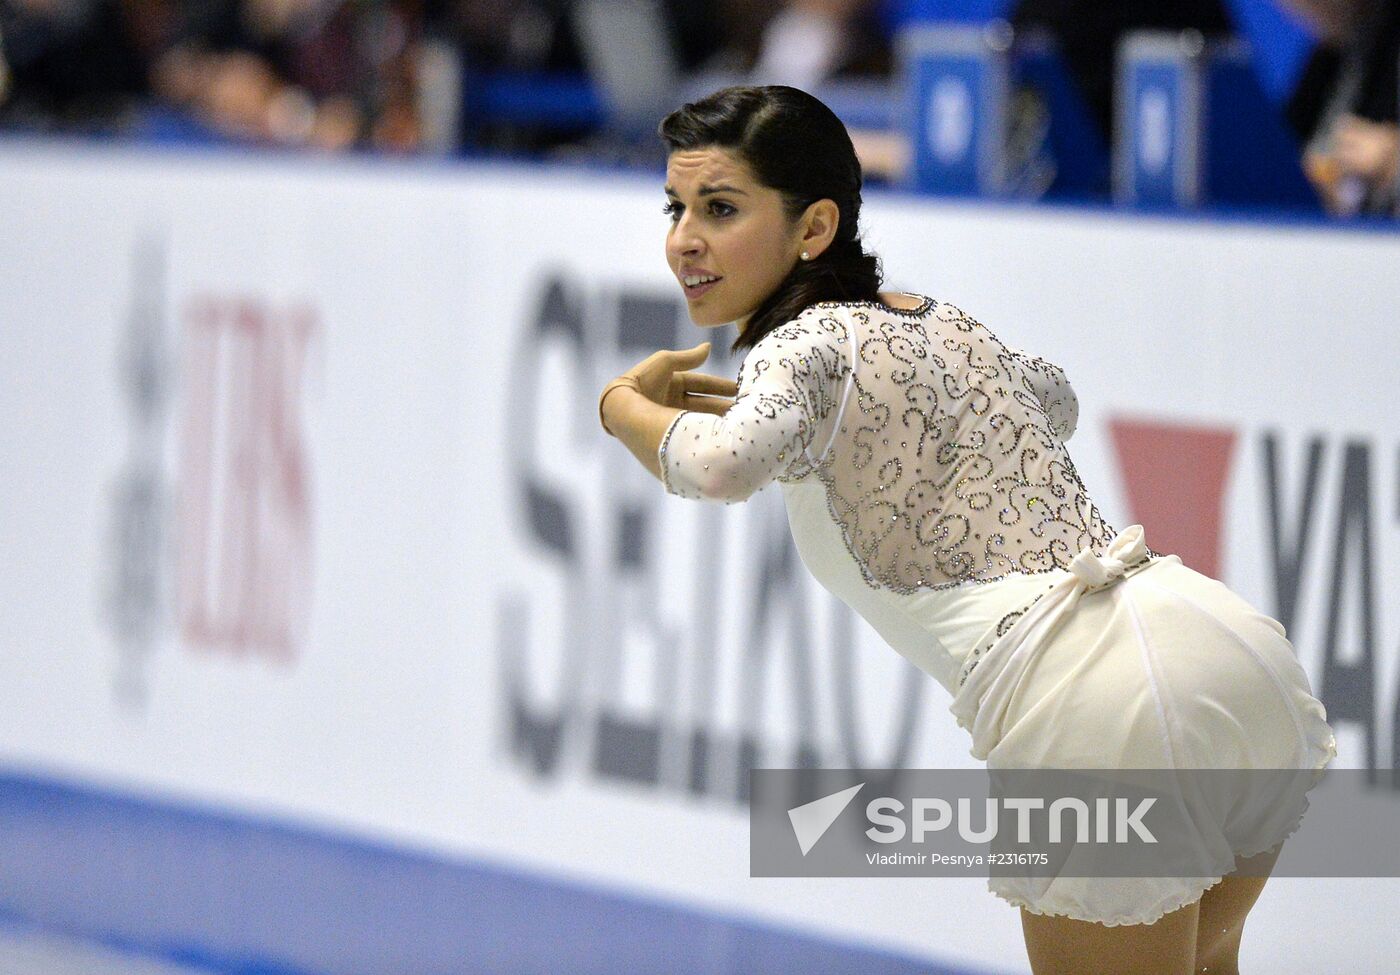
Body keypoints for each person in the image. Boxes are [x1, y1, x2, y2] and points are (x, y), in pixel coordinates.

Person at [596, 84, 1336, 973]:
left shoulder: (801, 348)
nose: (684, 238)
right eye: (675, 207)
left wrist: (622, 406)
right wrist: (790, 414)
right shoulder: (935, 320)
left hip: (1095, 704)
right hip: (1223, 651)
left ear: (815, 227)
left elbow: (718, 465)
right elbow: (1050, 398)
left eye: (720, 208)